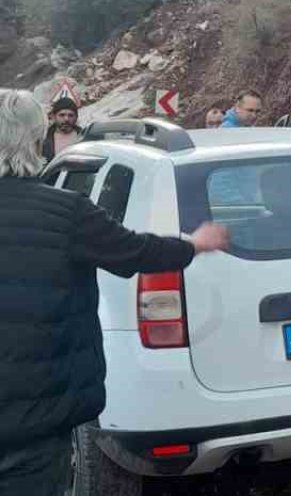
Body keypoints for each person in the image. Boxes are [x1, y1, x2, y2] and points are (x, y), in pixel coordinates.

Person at [0, 89, 229, 495]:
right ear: (36, 138)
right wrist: (194, 244)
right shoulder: (65, 212)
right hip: (37, 417)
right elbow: (137, 251)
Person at [41, 97, 82, 161]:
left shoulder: (84, 136)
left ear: (76, 117)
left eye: (70, 115)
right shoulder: (44, 139)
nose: (66, 119)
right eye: (62, 115)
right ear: (53, 116)